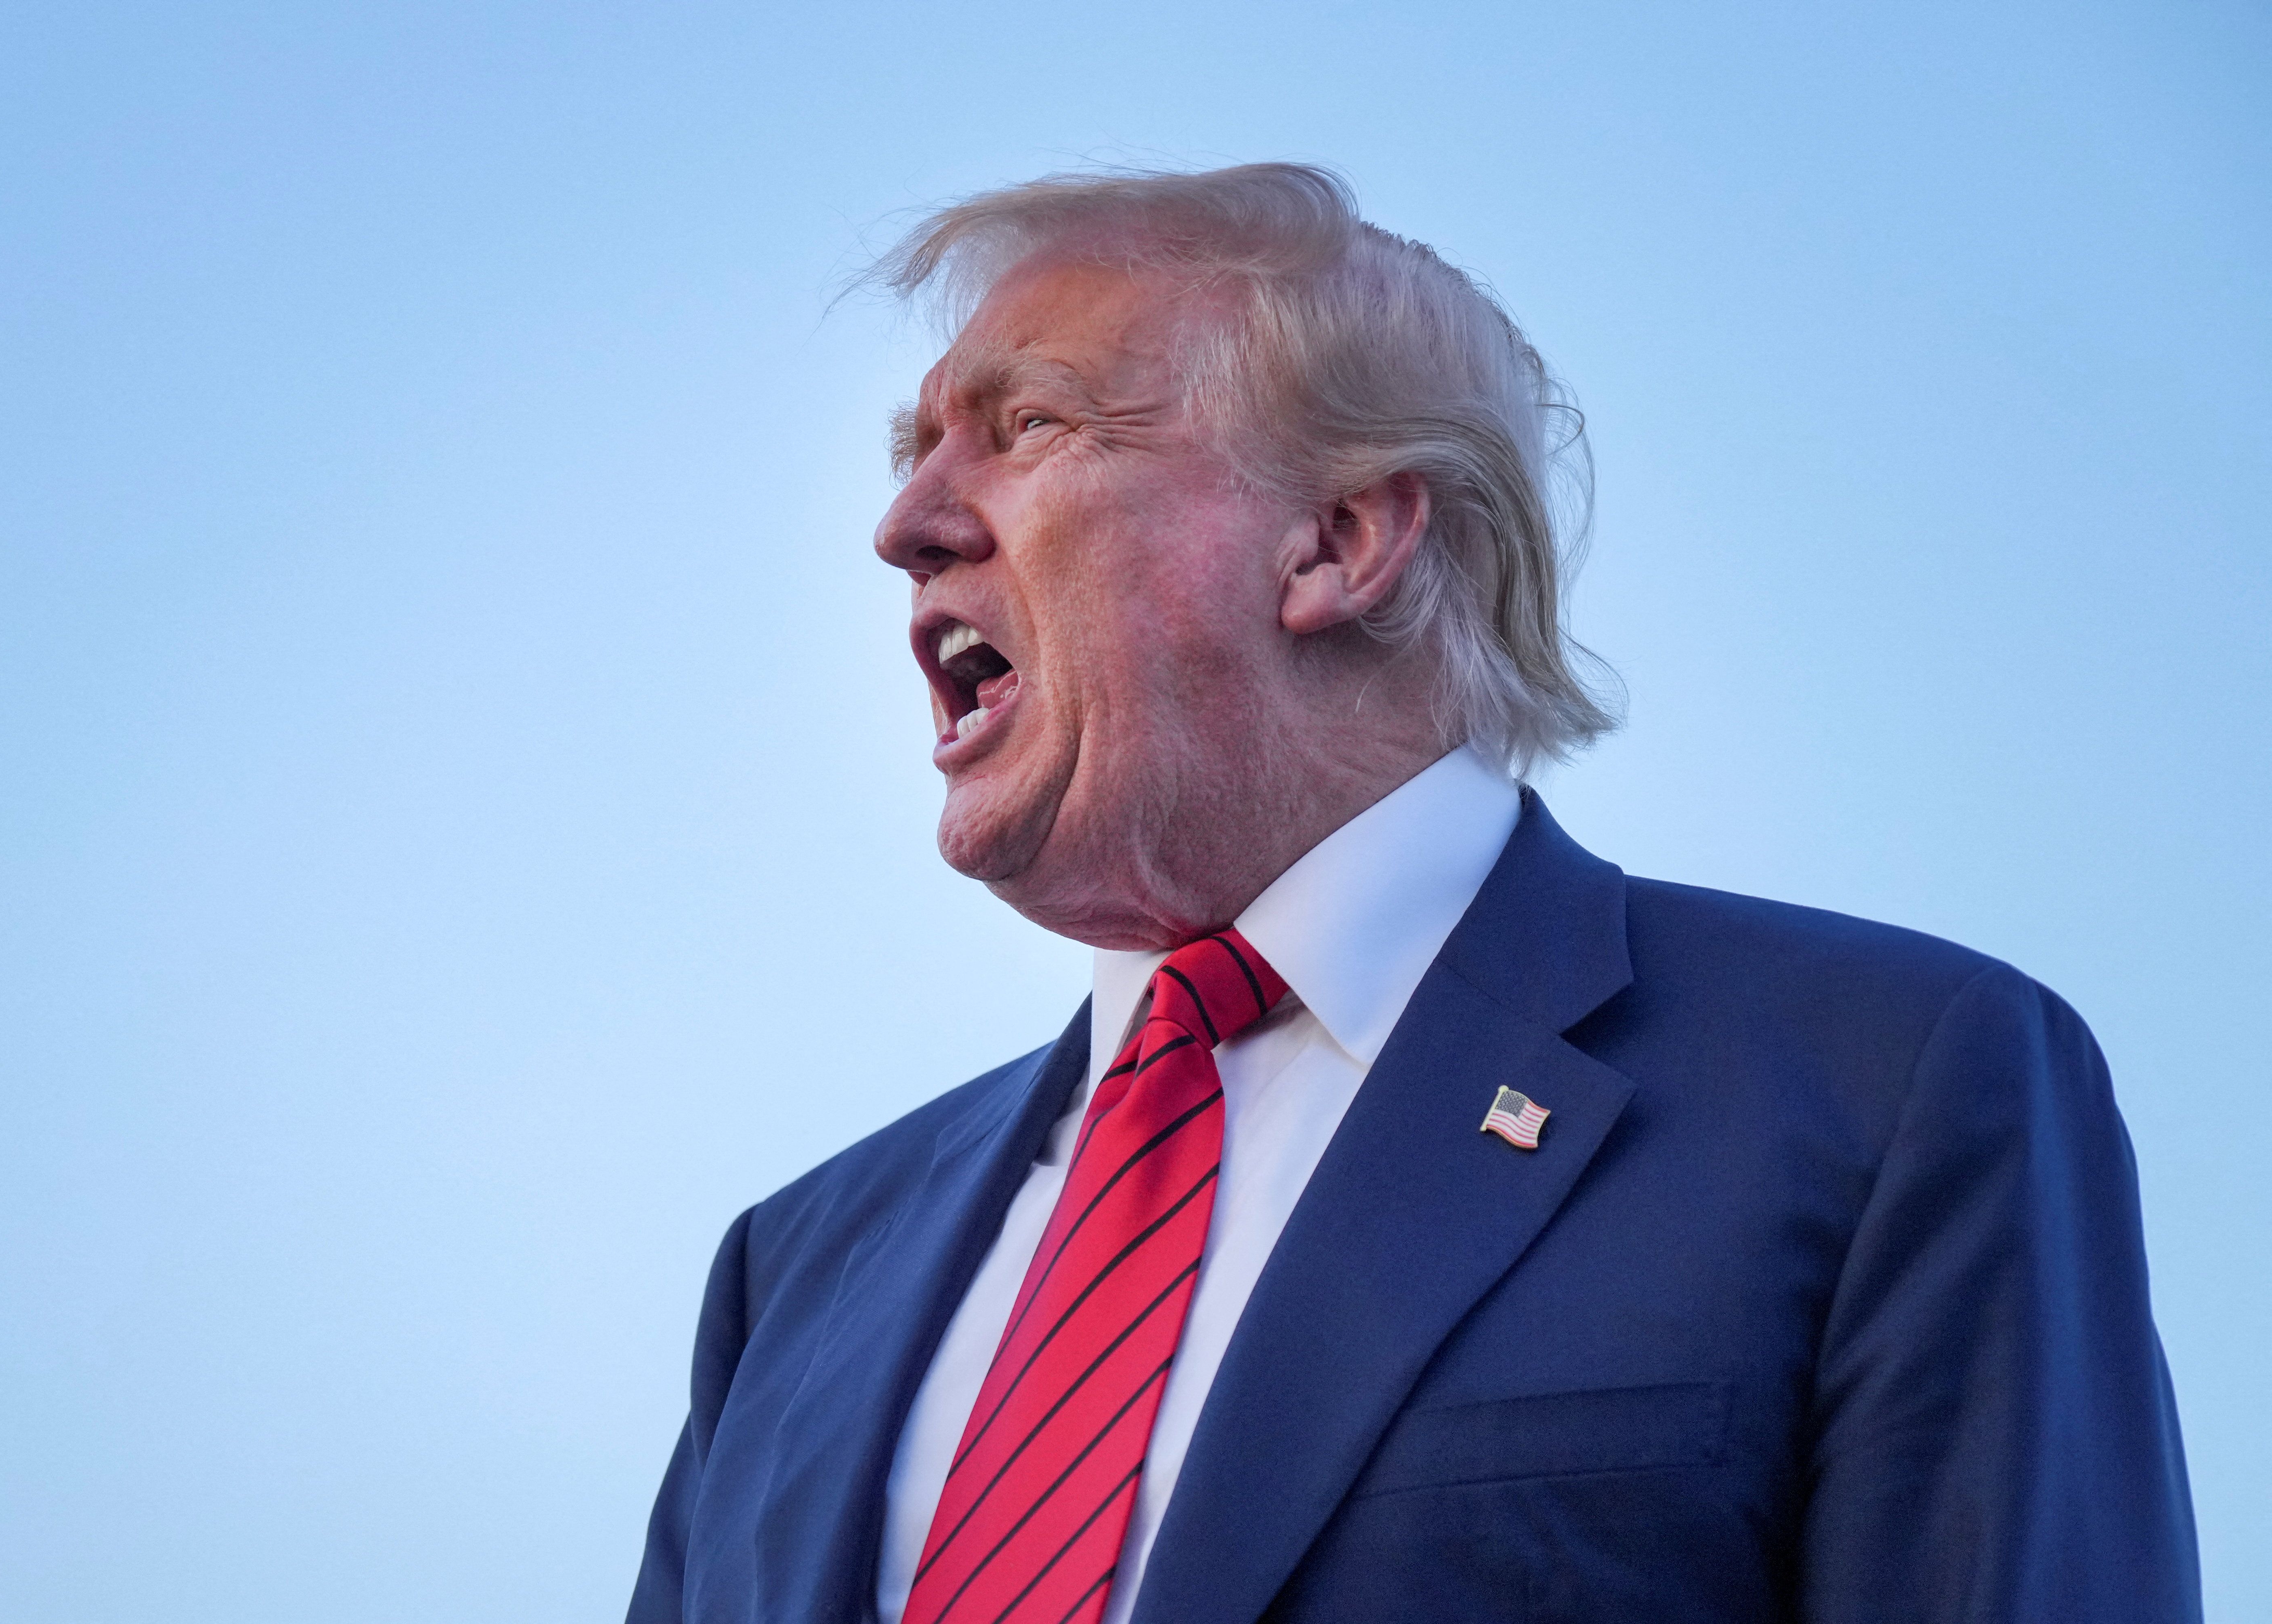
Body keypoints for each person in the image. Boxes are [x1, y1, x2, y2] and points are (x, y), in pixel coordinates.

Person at [623, 164, 2200, 1624]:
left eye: (1027, 425)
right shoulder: (798, 1270)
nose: (905, 525)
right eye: (918, 453)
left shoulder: (1892, 1089)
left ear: (1340, 540)